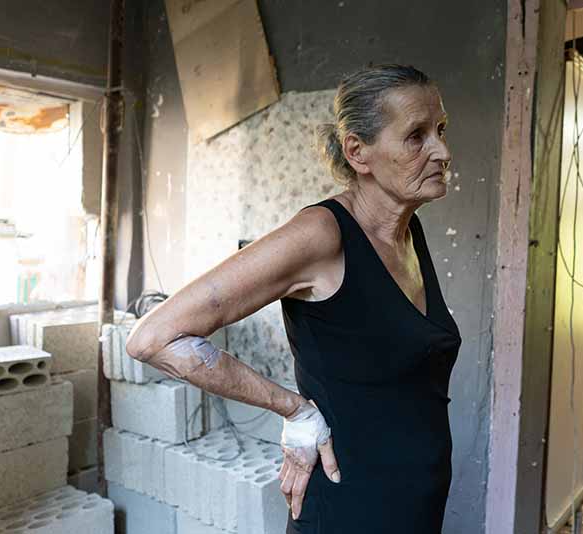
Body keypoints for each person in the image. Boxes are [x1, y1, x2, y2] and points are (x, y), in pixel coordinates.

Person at [125, 63, 462, 533]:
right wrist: (293, 409)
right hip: (349, 511)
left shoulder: (409, 230)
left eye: (441, 130)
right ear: (357, 152)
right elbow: (154, 338)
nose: (442, 151)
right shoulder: (321, 235)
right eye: (416, 136)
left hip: (417, 504)